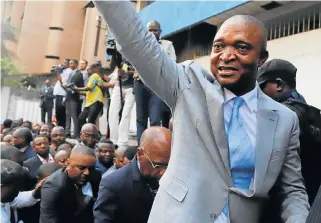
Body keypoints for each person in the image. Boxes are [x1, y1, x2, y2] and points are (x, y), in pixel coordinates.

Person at [94, 2, 309, 222]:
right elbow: (136, 42)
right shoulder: (188, 85)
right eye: (218, 46)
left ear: (262, 58)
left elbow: (292, 189)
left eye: (241, 47)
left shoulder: (284, 119)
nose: (226, 55)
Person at [258, 59, 321, 204]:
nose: (258, 95)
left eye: (261, 88)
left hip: (288, 204)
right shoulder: (313, 115)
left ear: (279, 85)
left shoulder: (281, 116)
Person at [94, 127, 171, 223]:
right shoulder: (114, 184)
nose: (163, 172)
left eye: (168, 165)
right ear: (140, 154)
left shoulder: (173, 177)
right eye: (157, 165)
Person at [132, 20, 176, 144]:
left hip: (157, 85)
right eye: (149, 30)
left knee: (155, 119)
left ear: (160, 32)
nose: (152, 32)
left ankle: (152, 148)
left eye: (155, 30)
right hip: (140, 83)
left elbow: (172, 63)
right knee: (140, 119)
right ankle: (140, 147)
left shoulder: (167, 45)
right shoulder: (138, 45)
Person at [40, 144, 98, 223]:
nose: (87, 172)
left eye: (91, 168)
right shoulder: (53, 187)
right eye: (81, 168)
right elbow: (48, 219)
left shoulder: (95, 176)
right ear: (68, 163)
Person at [108, 55, 135, 146]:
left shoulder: (137, 51)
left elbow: (139, 71)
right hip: (118, 85)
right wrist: (113, 55)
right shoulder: (119, 52)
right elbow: (111, 66)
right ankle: (113, 139)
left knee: (125, 114)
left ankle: (122, 140)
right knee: (112, 112)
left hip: (131, 87)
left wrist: (127, 71)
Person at [74, 63, 104, 128]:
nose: (87, 71)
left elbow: (89, 88)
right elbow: (86, 92)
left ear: (94, 69)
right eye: (86, 70)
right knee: (81, 118)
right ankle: (88, 132)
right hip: (89, 103)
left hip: (96, 101)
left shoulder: (95, 75)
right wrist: (74, 90)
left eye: (89, 69)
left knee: (91, 120)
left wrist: (76, 88)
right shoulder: (90, 78)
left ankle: (93, 135)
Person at [65, 59, 84, 138]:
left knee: (74, 116)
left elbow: (77, 85)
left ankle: (76, 134)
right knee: (68, 115)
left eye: (72, 63)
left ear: (76, 64)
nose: (70, 65)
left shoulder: (78, 73)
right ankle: (67, 132)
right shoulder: (70, 73)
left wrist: (72, 87)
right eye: (69, 63)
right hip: (68, 97)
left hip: (75, 97)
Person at [53, 59, 72, 128]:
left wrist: (58, 73)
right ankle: (58, 126)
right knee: (57, 112)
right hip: (58, 93)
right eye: (63, 63)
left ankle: (62, 127)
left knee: (61, 112)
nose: (63, 64)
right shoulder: (62, 70)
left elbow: (62, 82)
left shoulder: (69, 71)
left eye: (65, 63)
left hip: (63, 93)